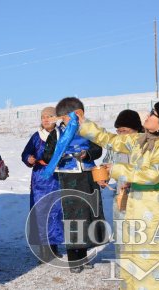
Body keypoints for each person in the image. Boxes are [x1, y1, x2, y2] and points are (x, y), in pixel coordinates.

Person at [78, 101, 159, 290]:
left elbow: (152, 174)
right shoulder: (139, 140)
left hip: (158, 208)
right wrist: (83, 123)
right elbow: (110, 139)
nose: (148, 115)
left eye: (153, 114)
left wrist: (116, 170)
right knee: (135, 256)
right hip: (136, 205)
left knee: (156, 259)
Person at [43, 97, 107, 274]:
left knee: (87, 214)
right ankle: (74, 259)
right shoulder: (55, 135)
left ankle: (84, 254)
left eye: (68, 117)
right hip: (67, 177)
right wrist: (62, 155)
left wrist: (87, 154)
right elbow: (47, 156)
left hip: (88, 176)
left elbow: (98, 149)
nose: (66, 121)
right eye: (63, 118)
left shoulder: (87, 130)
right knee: (73, 217)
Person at [21, 107, 64, 262]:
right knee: (41, 212)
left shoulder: (62, 135)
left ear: (56, 118)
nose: (46, 119)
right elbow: (25, 154)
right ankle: (44, 251)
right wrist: (29, 159)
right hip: (41, 178)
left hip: (58, 177)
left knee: (56, 211)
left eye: (49, 116)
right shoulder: (36, 137)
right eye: (43, 117)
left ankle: (54, 247)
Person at [110, 109, 144, 273]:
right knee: (121, 233)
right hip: (120, 197)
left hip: (141, 198)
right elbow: (108, 162)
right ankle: (124, 271)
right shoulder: (117, 145)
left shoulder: (146, 145)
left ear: (135, 129)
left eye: (125, 130)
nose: (121, 134)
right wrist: (104, 174)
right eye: (119, 130)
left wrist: (135, 180)